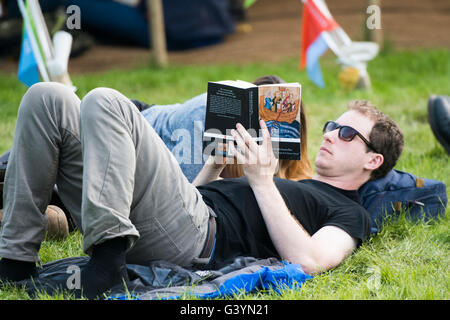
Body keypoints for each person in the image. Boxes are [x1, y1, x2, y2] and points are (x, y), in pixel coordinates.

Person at [0, 82, 403, 299]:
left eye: (348, 133)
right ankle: (15, 260)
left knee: (107, 102)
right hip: (181, 215)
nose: (332, 134)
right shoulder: (298, 181)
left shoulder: (353, 213)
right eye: (332, 125)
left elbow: (311, 260)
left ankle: (107, 260)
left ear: (373, 161)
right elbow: (197, 201)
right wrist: (214, 164)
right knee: (47, 98)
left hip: (197, 239)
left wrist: (262, 181)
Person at [139, 74, 313, 182]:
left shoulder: (289, 155)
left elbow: (297, 178)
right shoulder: (202, 124)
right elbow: (192, 206)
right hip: (138, 127)